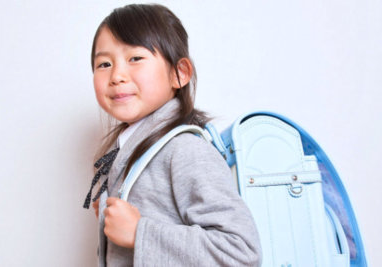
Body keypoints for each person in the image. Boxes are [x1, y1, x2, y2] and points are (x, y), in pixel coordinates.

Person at [84, 3, 261, 266]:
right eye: (104, 63)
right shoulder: (131, 150)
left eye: (135, 58)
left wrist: (139, 232)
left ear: (179, 73)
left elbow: (241, 253)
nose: (117, 75)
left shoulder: (186, 151)